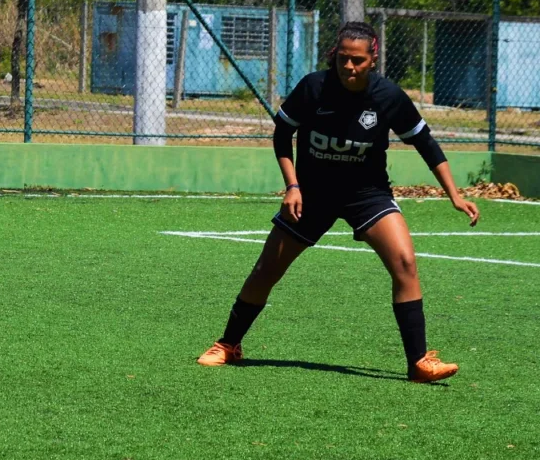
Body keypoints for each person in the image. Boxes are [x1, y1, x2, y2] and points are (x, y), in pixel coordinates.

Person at [197, 21, 480, 383]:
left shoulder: (389, 96)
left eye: (358, 60)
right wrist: (292, 185)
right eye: (343, 59)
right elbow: (283, 135)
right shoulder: (314, 87)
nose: (349, 67)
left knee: (405, 263)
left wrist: (454, 194)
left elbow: (427, 144)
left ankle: (419, 363)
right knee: (266, 270)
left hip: (368, 195)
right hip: (312, 194)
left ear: (372, 58)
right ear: (335, 55)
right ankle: (228, 344)